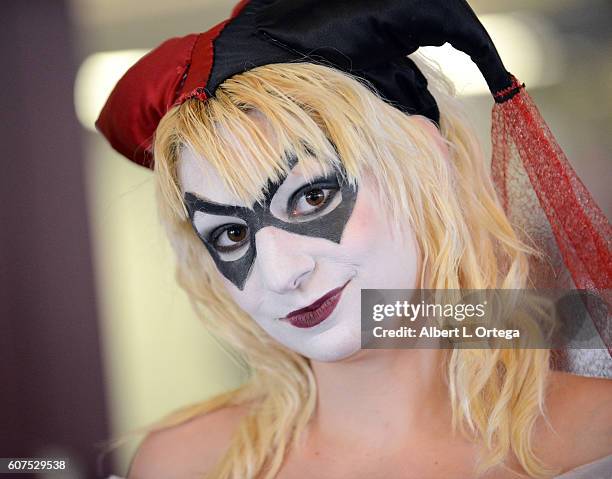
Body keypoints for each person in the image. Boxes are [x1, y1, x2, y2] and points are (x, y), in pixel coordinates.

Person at [96, 1, 612, 477]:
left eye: (312, 198)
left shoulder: (596, 433)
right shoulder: (185, 465)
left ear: (427, 163)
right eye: (230, 234)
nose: (281, 273)